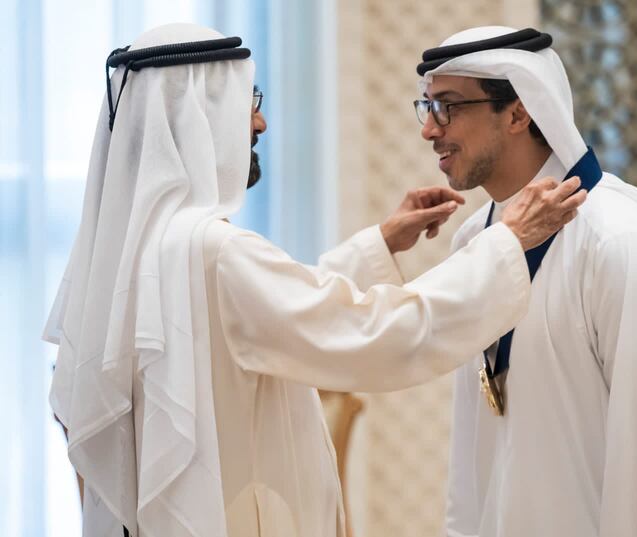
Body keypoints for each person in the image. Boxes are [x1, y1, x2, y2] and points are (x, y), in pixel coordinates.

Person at [43, 23, 587, 537]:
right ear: (196, 117)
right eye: (247, 103)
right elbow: (369, 332)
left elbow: (273, 315)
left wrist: (381, 242)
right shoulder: (211, 249)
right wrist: (506, 243)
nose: (258, 124)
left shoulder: (141, 251)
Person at [414, 26, 637, 537]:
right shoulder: (473, 241)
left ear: (518, 112)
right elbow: (471, 452)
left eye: (449, 107)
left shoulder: (618, 241)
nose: (430, 130)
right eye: (428, 107)